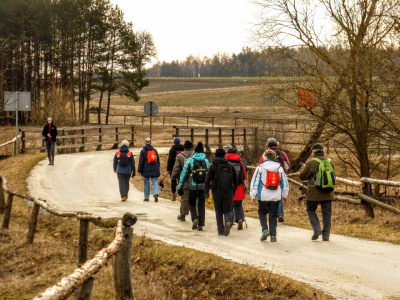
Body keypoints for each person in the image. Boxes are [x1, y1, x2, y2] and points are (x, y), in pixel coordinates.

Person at [251, 149, 289, 242]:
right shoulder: (279, 168)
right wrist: (284, 195)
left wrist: (253, 195)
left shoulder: (260, 167)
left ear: (264, 157)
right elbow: (284, 182)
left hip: (263, 195)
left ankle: (264, 229)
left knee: (262, 213)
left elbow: (254, 182)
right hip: (276, 196)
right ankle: (273, 235)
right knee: (273, 215)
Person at [299, 143, 334, 241]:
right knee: (326, 213)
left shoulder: (311, 163)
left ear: (313, 152)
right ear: (322, 151)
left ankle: (317, 229)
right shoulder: (329, 162)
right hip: (327, 191)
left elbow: (302, 177)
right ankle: (326, 235)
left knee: (310, 210)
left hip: (314, 192)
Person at [178, 142, 209, 231]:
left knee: (192, 204)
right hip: (203, 187)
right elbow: (209, 174)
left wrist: (180, 186)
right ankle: (201, 224)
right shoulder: (206, 161)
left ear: (195, 151)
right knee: (201, 205)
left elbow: (184, 174)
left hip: (192, 186)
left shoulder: (190, 160)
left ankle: (195, 218)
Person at [205, 148, 237, 236]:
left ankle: (220, 230)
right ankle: (228, 221)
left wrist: (206, 192)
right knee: (228, 209)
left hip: (216, 191)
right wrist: (233, 190)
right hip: (228, 191)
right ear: (224, 155)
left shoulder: (213, 166)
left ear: (215, 155)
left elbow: (207, 180)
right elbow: (235, 179)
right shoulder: (230, 166)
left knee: (218, 211)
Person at [258, 137, 291, 223]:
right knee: (279, 195)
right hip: (279, 176)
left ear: (267, 145)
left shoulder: (265, 154)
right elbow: (288, 165)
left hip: (268, 177)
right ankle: (280, 214)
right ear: (277, 144)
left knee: (269, 194)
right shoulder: (282, 153)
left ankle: (271, 213)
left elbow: (260, 164)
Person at [171, 140, 194, 221]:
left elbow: (176, 168)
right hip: (196, 181)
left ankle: (183, 215)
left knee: (184, 198)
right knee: (196, 199)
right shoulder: (196, 155)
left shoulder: (180, 156)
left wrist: (173, 177)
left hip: (185, 180)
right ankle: (196, 216)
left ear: (184, 147)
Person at [226, 147, 247, 230]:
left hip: (227, 187)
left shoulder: (225, 161)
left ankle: (229, 222)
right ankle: (239, 219)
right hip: (238, 187)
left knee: (228, 205)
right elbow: (244, 175)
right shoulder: (240, 161)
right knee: (238, 205)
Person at [137, 137, 160, 202]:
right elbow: (158, 160)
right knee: (155, 182)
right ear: (151, 143)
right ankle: (155, 193)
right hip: (155, 168)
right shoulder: (154, 151)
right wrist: (158, 168)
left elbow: (141, 162)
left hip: (146, 169)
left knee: (146, 183)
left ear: (145, 142)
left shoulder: (143, 151)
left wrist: (139, 171)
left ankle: (146, 197)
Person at [167, 137, 184, 201]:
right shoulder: (183, 149)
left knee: (173, 181)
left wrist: (168, 169)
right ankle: (182, 196)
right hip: (182, 168)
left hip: (173, 168)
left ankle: (174, 195)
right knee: (181, 182)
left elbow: (170, 160)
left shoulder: (172, 149)